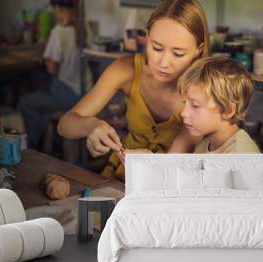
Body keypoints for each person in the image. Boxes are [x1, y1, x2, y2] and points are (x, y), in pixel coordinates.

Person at [57, 0, 210, 181]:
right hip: (119, 177)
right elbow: (65, 125)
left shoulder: (206, 90)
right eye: (157, 48)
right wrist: (90, 126)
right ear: (146, 37)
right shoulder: (127, 69)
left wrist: (151, 161)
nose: (163, 63)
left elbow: (177, 162)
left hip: (171, 184)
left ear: (198, 51)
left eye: (178, 54)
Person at [18, 0, 92, 150]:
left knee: (25, 103)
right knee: (42, 96)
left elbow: (52, 69)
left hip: (69, 96)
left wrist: (46, 56)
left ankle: (34, 146)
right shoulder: (85, 28)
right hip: (88, 94)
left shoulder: (58, 31)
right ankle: (51, 141)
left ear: (58, 8)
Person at [178, 56, 260, 154]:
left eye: (195, 105)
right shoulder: (203, 146)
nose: (183, 113)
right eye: (184, 103)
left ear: (227, 110)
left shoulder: (241, 154)